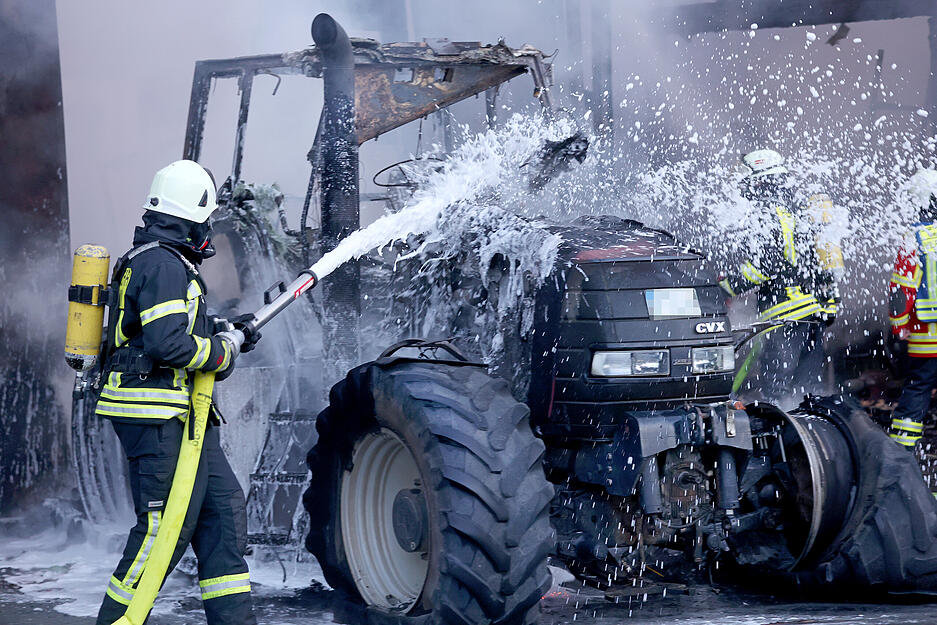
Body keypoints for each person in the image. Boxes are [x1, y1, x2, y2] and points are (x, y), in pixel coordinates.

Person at [93, 160, 258, 625]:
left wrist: (227, 329)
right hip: (158, 417)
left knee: (222, 515)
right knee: (161, 532)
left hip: (185, 417)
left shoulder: (165, 262)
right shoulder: (163, 265)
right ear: (192, 218)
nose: (209, 230)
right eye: (206, 220)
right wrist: (223, 351)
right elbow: (167, 344)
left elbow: (176, 328)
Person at [720, 148, 839, 405]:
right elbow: (822, 263)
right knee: (805, 391)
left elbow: (766, 266)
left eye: (747, 182)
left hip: (784, 314)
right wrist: (829, 305)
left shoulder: (765, 213)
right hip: (812, 314)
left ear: (759, 181)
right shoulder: (797, 210)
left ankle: (778, 428)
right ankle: (805, 428)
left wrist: (727, 286)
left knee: (776, 387)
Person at [887, 168, 937, 450]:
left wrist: (899, 325)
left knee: (919, 388)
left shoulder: (914, 238)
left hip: (927, 334)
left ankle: (901, 455)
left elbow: (901, 289)